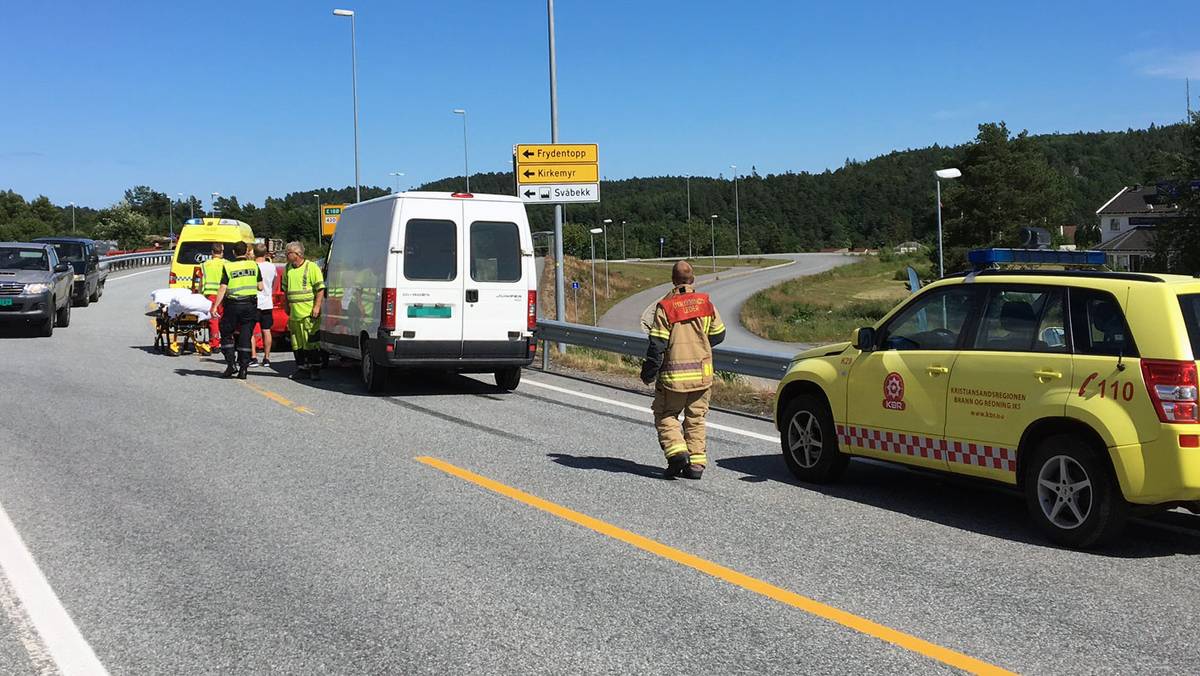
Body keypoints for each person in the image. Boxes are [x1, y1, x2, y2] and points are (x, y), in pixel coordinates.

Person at [640, 261, 726, 480]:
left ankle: (677, 452)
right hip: (702, 374)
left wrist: (649, 372)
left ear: (673, 280)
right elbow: (719, 334)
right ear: (693, 279)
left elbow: (657, 345)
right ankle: (696, 466)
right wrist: (700, 347)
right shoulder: (706, 304)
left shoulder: (666, 307)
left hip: (674, 377)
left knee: (665, 414)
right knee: (696, 418)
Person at [209, 241, 263, 379]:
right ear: (246, 252)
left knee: (226, 331)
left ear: (234, 252)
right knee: (245, 335)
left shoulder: (229, 267)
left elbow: (223, 288)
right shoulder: (254, 265)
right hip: (250, 305)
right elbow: (260, 287)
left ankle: (231, 364)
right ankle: (243, 369)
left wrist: (215, 306)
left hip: (233, 305)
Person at [281, 241, 326, 380]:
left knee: (311, 342)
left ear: (298, 254)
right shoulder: (287, 268)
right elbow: (285, 290)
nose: (286, 255)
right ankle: (302, 368)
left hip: (309, 314)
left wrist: (317, 307)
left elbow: (320, 289)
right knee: (297, 343)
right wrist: (286, 306)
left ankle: (315, 369)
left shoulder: (311, 267)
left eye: (288, 253)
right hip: (294, 314)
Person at [249, 244, 277, 368]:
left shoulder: (252, 266)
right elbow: (275, 282)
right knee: (266, 330)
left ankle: (253, 357)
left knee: (250, 330)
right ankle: (267, 358)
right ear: (266, 254)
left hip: (254, 301)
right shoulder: (271, 266)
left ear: (254, 253)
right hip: (267, 301)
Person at [199, 243, 225, 354]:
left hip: (210, 295)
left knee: (213, 320)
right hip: (224, 295)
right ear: (222, 252)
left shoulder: (204, 265)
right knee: (224, 319)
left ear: (212, 252)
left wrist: (200, 294)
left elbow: (200, 282)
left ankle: (215, 344)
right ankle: (226, 341)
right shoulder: (227, 264)